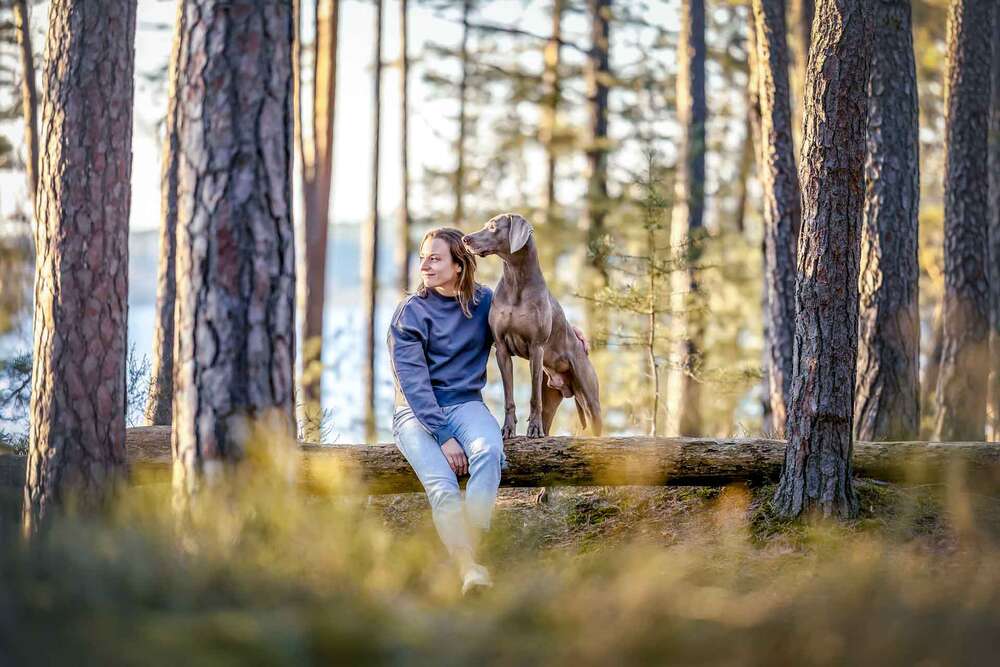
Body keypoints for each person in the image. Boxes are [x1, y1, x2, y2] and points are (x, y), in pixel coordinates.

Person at [387, 226, 585, 595]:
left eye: (435, 258)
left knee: (489, 451)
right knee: (443, 486)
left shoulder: (484, 304)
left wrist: (568, 334)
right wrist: (444, 437)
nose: (425, 266)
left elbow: (531, 320)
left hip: (466, 404)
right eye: (422, 258)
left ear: (459, 265)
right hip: (415, 413)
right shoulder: (409, 314)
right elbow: (412, 384)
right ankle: (468, 569)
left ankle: (472, 548)